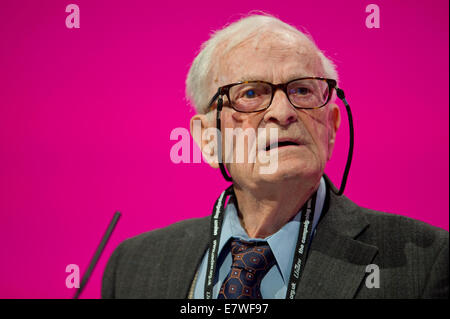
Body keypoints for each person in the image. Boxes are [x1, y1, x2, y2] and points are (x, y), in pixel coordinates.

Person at [101, 14, 448, 299]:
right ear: (208, 140)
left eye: (302, 90)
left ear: (332, 124)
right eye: (250, 93)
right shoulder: (134, 267)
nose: (283, 112)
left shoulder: (427, 263)